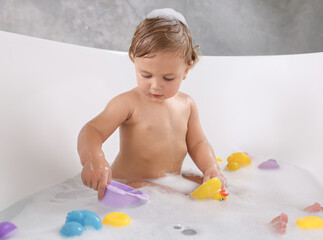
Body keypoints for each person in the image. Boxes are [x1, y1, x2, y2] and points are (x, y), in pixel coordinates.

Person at [77, 8, 226, 200]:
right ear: (134, 60)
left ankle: (266, 223)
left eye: (168, 78)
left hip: (168, 181)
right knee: (179, 197)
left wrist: (211, 168)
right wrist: (93, 160)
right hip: (128, 185)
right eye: (145, 75)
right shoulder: (128, 103)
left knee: (218, 188)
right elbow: (92, 130)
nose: (156, 85)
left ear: (186, 70)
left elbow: (198, 143)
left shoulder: (187, 105)